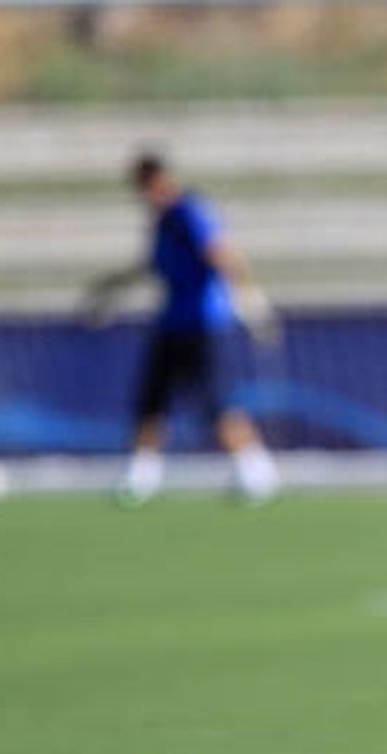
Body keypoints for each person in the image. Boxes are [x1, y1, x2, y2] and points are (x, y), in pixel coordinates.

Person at [85, 151, 281, 506]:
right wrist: (113, 287)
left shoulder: (189, 212)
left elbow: (220, 253)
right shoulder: (163, 222)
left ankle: (255, 466)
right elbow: (153, 266)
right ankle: (142, 474)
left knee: (212, 400)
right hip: (171, 323)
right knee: (152, 398)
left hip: (203, 323)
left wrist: (249, 298)